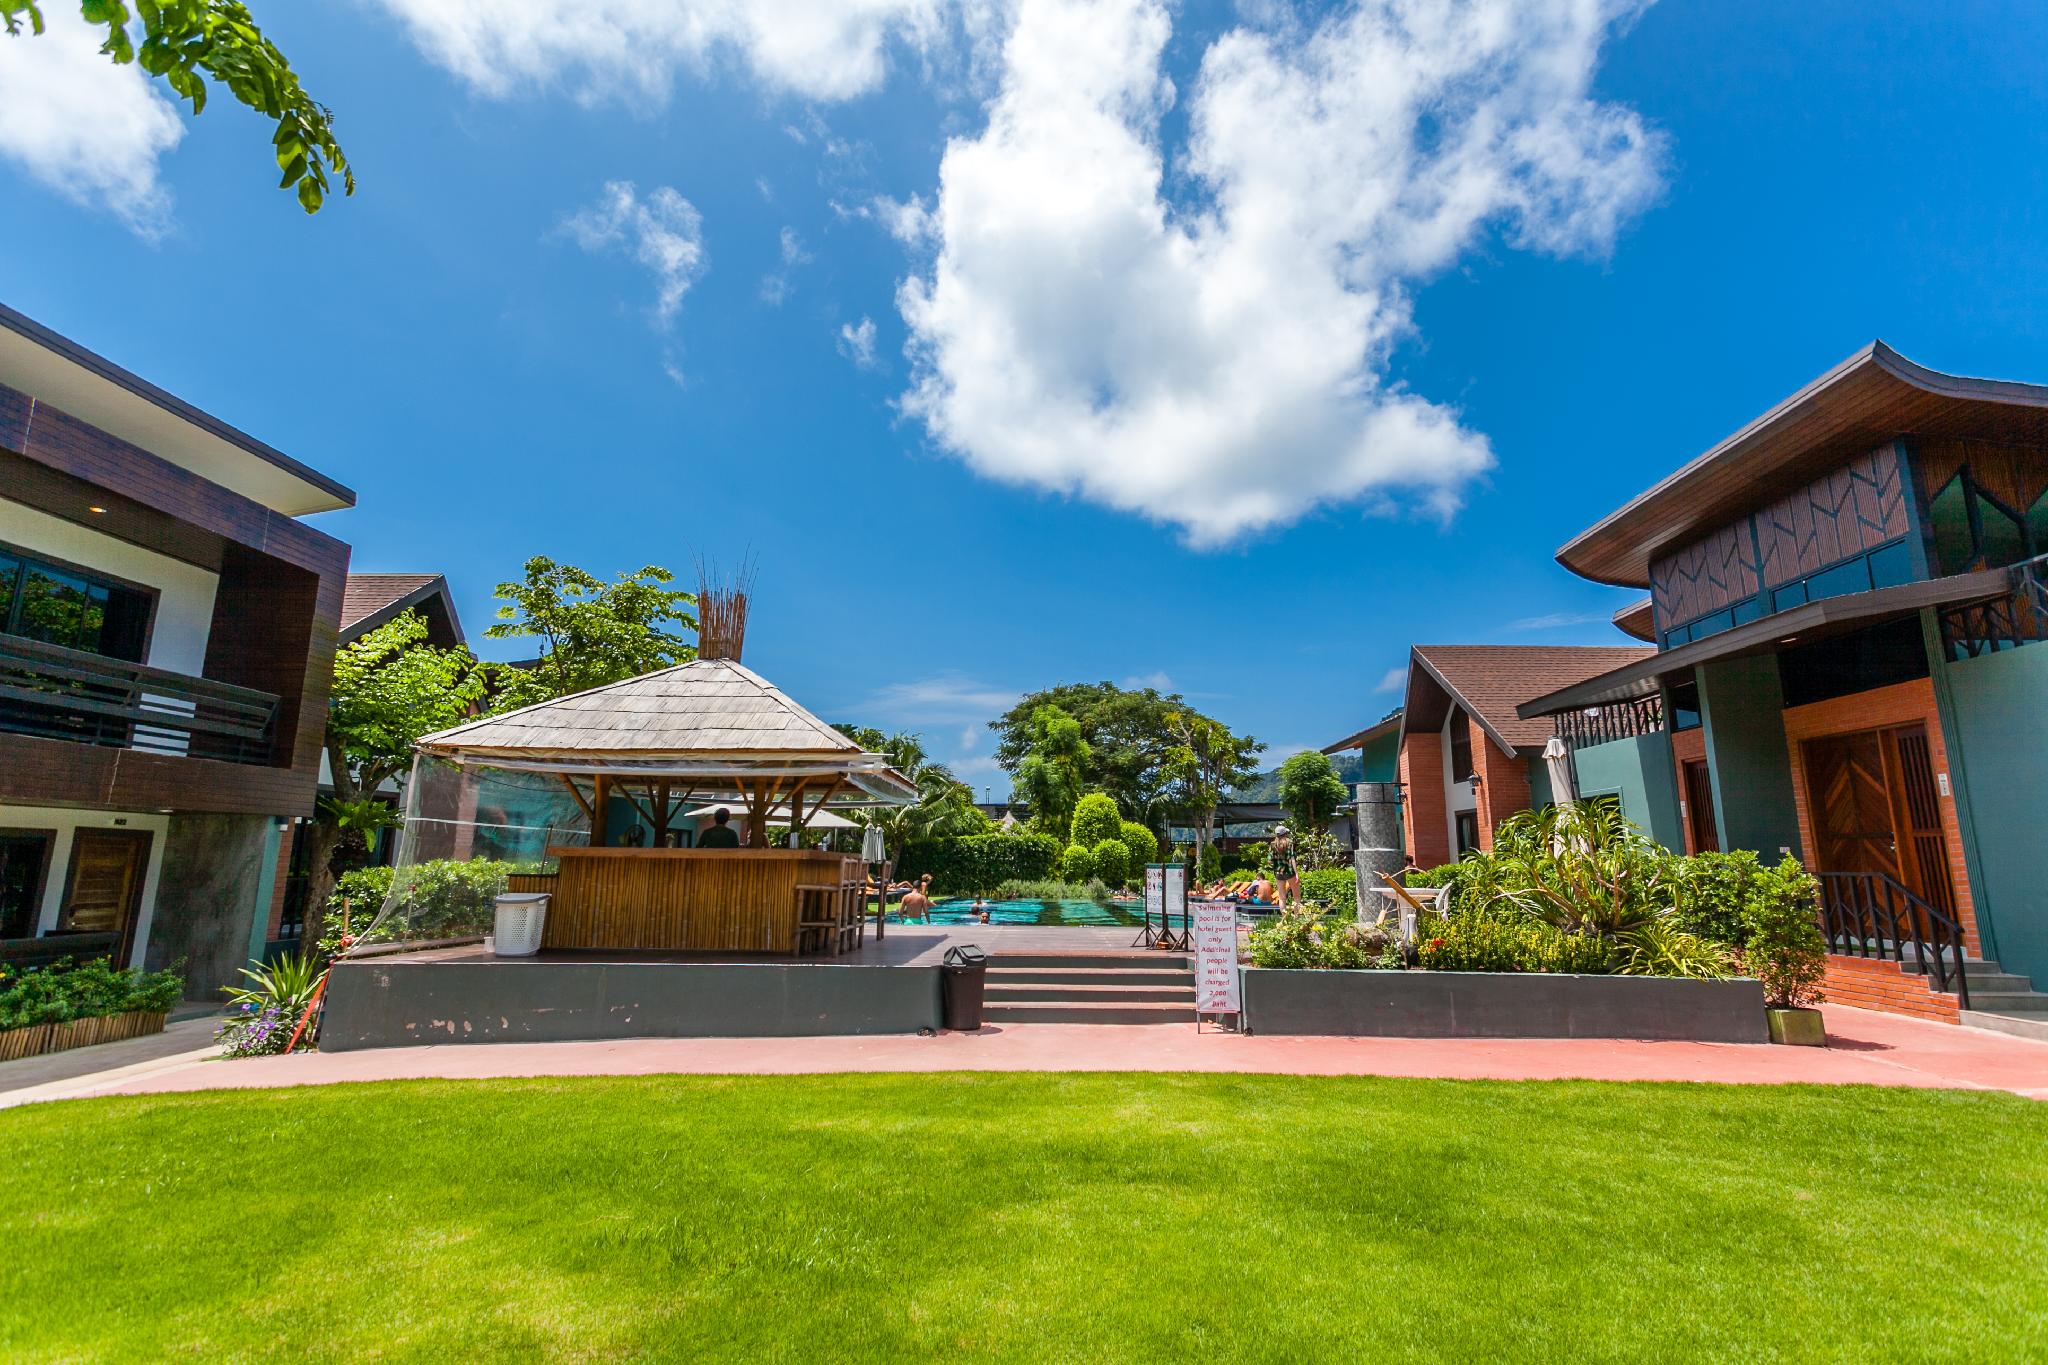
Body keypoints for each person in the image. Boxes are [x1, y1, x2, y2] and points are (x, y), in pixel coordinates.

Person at [1270, 825, 1300, 910]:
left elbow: (1270, 860)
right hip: (1289, 871)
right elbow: (1292, 858)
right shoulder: (1289, 843)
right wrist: (1296, 873)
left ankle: (1284, 919)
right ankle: (1296, 919)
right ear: (1285, 833)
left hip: (1278, 873)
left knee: (1282, 898)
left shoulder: (1272, 844)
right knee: (1296, 897)